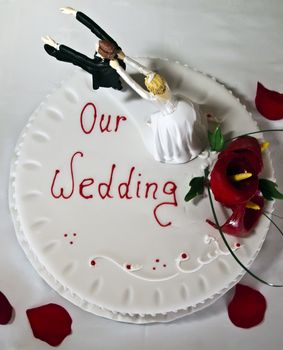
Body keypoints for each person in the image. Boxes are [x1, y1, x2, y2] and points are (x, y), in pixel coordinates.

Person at [108, 54, 208, 164]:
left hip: (171, 119)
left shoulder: (152, 97)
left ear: (150, 88)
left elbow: (133, 84)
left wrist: (118, 68)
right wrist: (124, 57)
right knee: (189, 129)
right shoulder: (164, 83)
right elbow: (143, 69)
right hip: (182, 105)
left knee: (176, 138)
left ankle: (183, 151)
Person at [42, 7, 125, 90]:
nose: (98, 42)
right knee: (77, 61)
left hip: (105, 77)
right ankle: (117, 85)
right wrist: (74, 12)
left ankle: (56, 54)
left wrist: (56, 45)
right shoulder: (112, 46)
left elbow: (78, 56)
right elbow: (95, 28)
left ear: (103, 54)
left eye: (98, 46)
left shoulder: (98, 64)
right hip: (115, 69)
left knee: (76, 61)